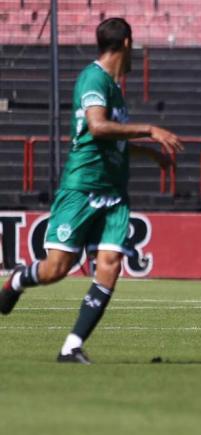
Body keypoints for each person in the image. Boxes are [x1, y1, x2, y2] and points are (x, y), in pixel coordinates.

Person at [0, 17, 183, 364]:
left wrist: (149, 155)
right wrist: (149, 130)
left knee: (110, 265)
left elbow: (112, 140)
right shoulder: (93, 79)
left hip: (113, 194)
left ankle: (71, 346)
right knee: (56, 268)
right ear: (127, 43)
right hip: (83, 188)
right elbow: (98, 127)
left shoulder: (115, 88)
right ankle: (16, 283)